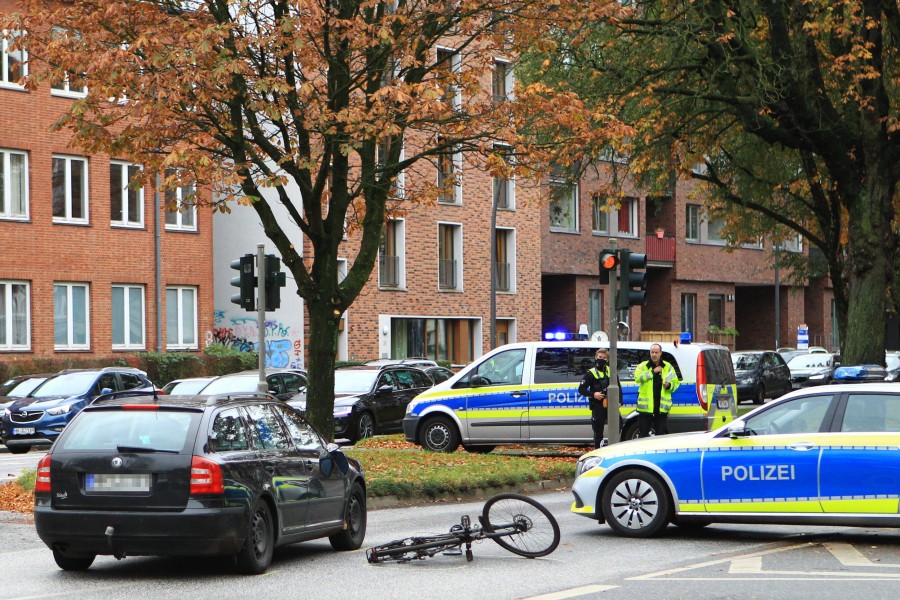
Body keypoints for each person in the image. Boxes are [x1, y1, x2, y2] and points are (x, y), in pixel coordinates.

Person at [634, 343, 680, 437]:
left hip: (661, 409)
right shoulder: (643, 366)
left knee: (660, 436)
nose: (654, 354)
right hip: (646, 410)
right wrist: (652, 372)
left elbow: (676, 383)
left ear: (660, 353)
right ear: (650, 353)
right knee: (643, 435)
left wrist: (669, 385)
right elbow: (638, 378)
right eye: (652, 352)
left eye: (656, 352)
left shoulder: (668, 367)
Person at [579, 348, 612, 448]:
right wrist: (593, 394)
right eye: (600, 357)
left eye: (604, 358)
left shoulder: (611, 371)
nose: (601, 359)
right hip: (598, 406)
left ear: (608, 360)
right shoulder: (591, 373)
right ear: (596, 357)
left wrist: (620, 401)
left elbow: (618, 387)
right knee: (598, 432)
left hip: (610, 405)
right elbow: (581, 389)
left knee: (617, 427)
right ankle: (598, 450)